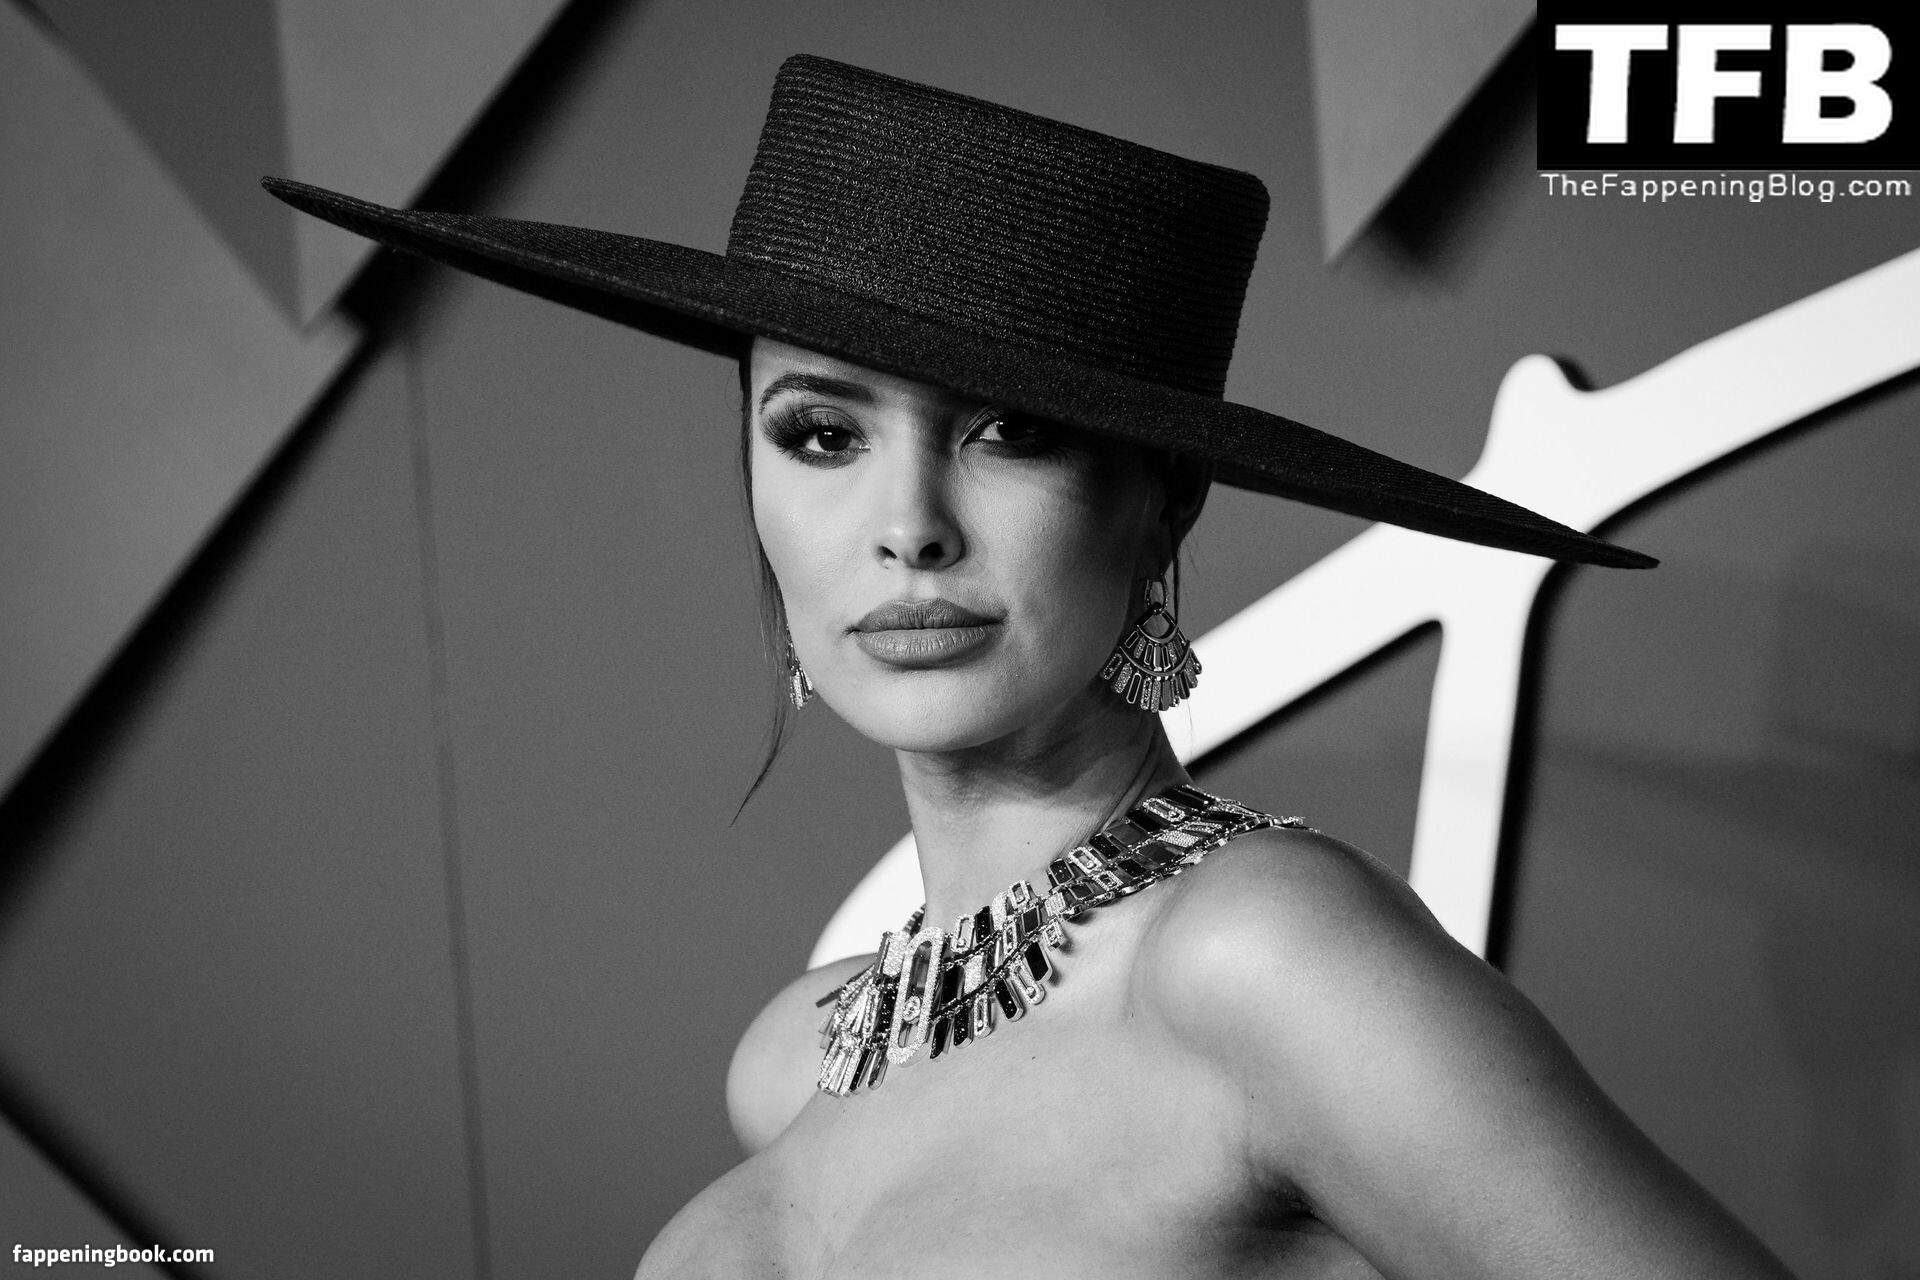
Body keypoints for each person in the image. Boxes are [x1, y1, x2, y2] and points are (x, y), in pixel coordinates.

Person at [268, 53, 1793, 1279]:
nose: (908, 527)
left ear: (1163, 498)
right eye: (821, 433)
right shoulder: (791, 1057)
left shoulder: (1260, 957)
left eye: (1011, 432)